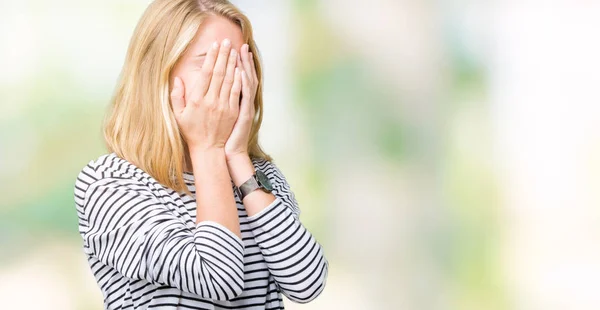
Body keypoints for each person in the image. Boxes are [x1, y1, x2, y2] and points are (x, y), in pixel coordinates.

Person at [73, 0, 328, 309]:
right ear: (158, 76)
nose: (230, 80)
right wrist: (208, 148)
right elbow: (218, 277)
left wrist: (235, 157)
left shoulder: (259, 175)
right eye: (212, 63)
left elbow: (306, 283)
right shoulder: (110, 182)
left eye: (238, 64)